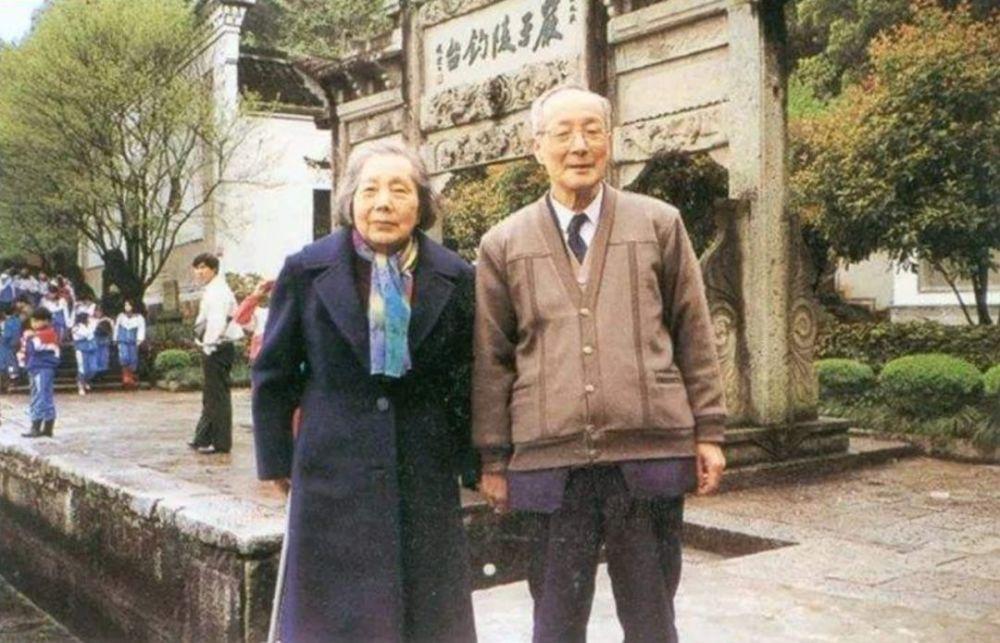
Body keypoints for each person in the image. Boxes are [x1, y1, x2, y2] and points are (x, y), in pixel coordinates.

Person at [473, 84, 728, 643]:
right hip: (550, 461)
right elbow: (492, 359)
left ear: (610, 141)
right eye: (563, 133)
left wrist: (708, 430)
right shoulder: (503, 243)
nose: (579, 146)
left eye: (592, 131)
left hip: (648, 451)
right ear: (537, 147)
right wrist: (493, 458)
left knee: (652, 618)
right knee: (556, 622)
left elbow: (693, 329)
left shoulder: (659, 223)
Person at [253, 141, 477, 642]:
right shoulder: (307, 270)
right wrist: (276, 460)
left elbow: (466, 376)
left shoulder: (455, 276)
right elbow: (274, 371)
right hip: (330, 470)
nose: (383, 203)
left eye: (399, 190)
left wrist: (473, 462)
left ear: (421, 203)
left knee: (425, 617)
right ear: (350, 200)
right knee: (332, 620)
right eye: (370, 190)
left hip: (422, 470)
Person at [188, 253, 242, 454]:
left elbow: (217, 322)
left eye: (204, 267)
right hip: (214, 345)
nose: (199, 272)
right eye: (197, 268)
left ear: (214, 269)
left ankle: (221, 443)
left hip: (217, 347)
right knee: (211, 394)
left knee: (217, 396)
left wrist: (208, 345)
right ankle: (203, 437)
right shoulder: (212, 289)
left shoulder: (218, 291)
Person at [20, 307, 60, 438]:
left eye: (37, 321)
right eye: (33, 321)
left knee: (42, 397)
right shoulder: (40, 334)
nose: (34, 323)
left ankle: (39, 426)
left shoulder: (47, 334)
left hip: (43, 368)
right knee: (37, 396)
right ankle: (42, 426)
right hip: (35, 368)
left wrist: (30, 337)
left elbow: (35, 347)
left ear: (46, 321)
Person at [232, 279, 273, 365]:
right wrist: (254, 296)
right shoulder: (261, 313)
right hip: (261, 361)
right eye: (270, 291)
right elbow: (240, 318)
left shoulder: (296, 313)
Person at [114, 299, 146, 388]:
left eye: (129, 305)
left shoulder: (139, 317)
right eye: (125, 305)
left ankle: (130, 378)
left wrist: (140, 339)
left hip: (133, 341)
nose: (127, 307)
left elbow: (141, 329)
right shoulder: (121, 316)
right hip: (123, 340)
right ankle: (125, 377)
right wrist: (115, 338)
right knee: (124, 357)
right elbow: (116, 327)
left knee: (133, 359)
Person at [71, 312, 98, 396]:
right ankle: (81, 386)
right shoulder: (76, 327)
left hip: (91, 348)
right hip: (81, 349)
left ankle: (86, 381)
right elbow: (86, 334)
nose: (89, 319)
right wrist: (92, 328)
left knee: (93, 368)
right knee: (82, 368)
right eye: (88, 318)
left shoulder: (90, 325)